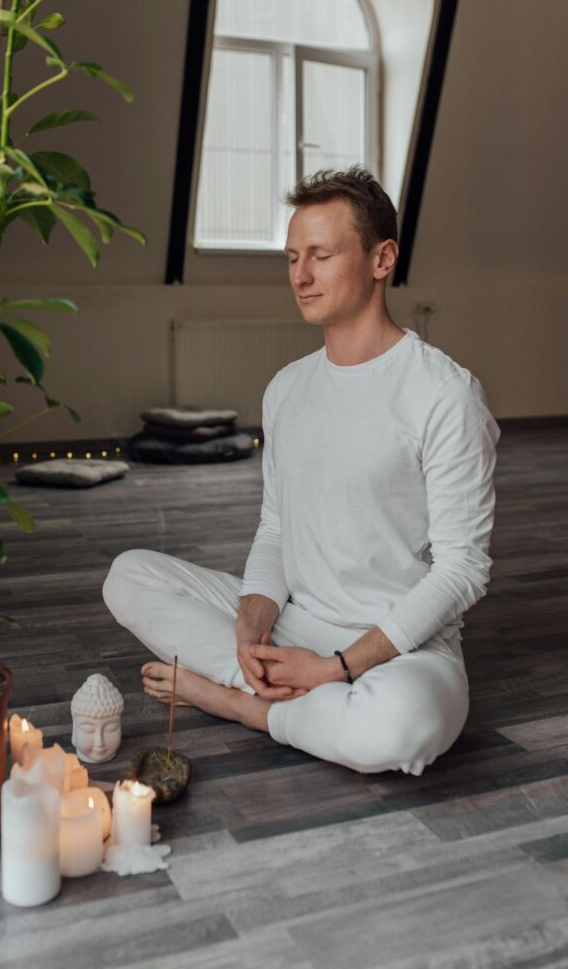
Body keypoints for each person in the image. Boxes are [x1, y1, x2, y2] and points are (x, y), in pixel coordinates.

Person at [103, 166, 501, 776]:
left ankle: (239, 702)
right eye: (292, 257)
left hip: (399, 649)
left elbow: (462, 569)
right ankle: (284, 690)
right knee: (127, 576)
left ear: (381, 258)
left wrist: (338, 667)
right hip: (296, 624)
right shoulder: (286, 389)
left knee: (400, 728)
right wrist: (250, 626)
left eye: (320, 254)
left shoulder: (444, 394)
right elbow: (276, 530)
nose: (300, 275)